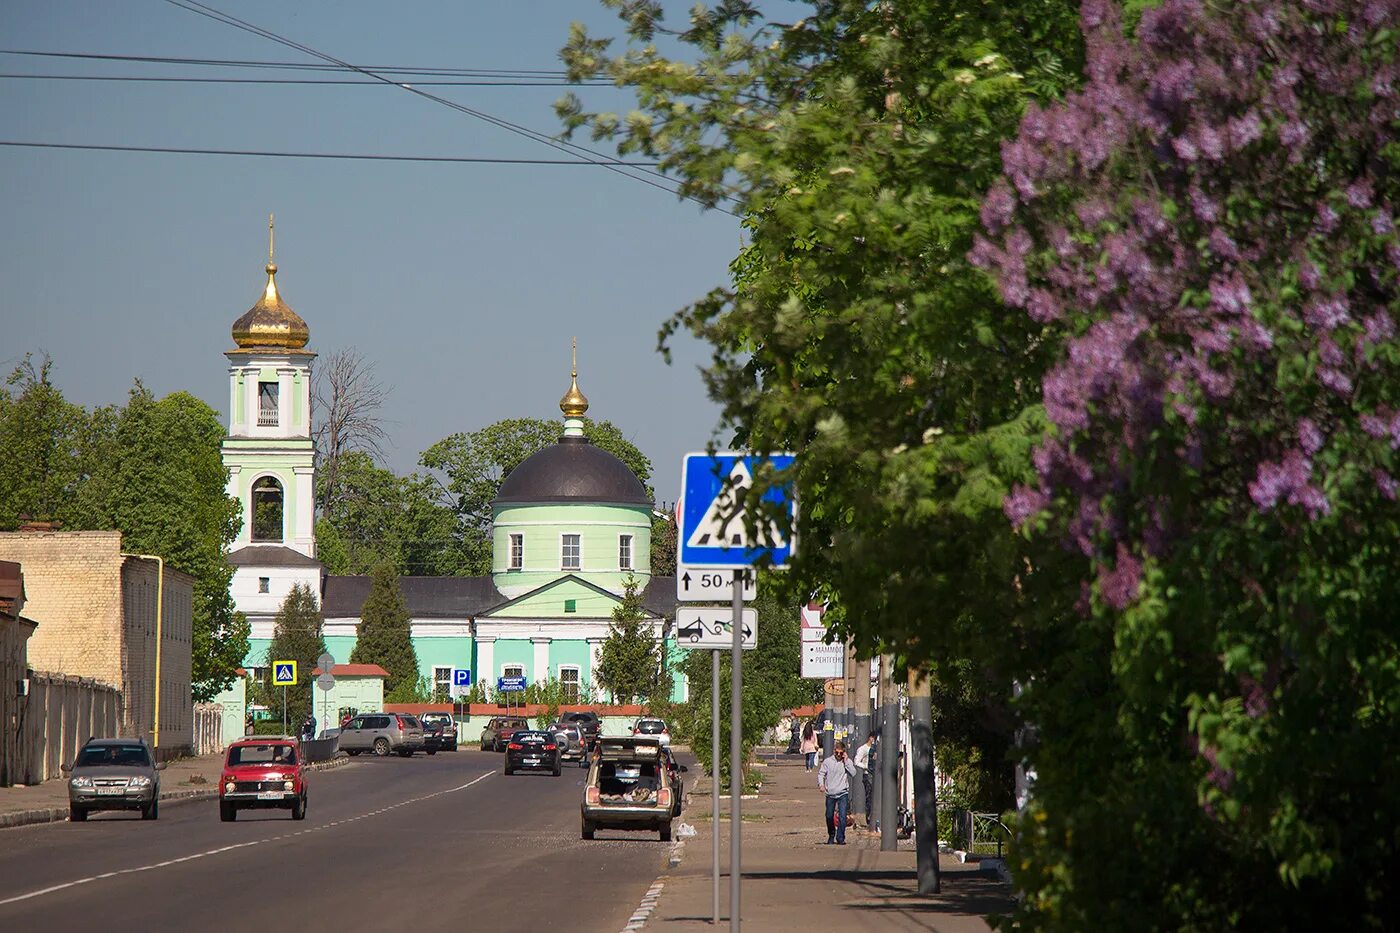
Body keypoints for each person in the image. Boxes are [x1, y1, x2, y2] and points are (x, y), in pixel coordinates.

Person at [817, 742, 857, 844]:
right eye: (837, 752)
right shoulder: (828, 762)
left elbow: (853, 773)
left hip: (843, 792)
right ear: (834, 751)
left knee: (843, 816)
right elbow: (821, 774)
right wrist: (821, 785)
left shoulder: (846, 762)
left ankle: (840, 837)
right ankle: (831, 834)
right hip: (830, 793)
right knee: (829, 816)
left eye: (841, 753)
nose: (838, 755)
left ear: (844, 752)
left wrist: (846, 761)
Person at [853, 733, 875, 828]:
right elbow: (856, 761)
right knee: (869, 797)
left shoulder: (876, 749)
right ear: (870, 738)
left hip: (875, 775)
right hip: (867, 775)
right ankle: (868, 817)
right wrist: (866, 767)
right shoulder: (863, 749)